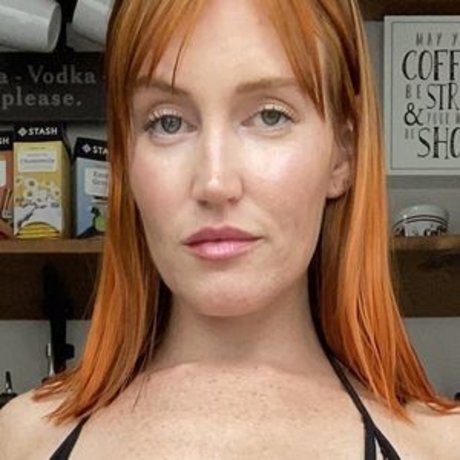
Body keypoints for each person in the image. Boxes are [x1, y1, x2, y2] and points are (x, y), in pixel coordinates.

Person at [1, 0, 459, 458]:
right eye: (167, 122)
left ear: (343, 153)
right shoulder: (21, 441)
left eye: (270, 116)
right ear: (125, 160)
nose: (215, 182)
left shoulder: (442, 446)